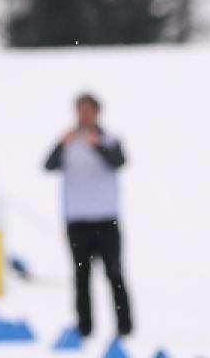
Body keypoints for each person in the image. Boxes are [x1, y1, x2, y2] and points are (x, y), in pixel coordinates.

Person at [43, 93, 132, 338]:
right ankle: (85, 327)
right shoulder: (68, 141)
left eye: (88, 111)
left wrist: (97, 145)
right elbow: (48, 165)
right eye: (80, 111)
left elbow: (119, 162)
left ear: (97, 112)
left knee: (114, 273)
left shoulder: (109, 139)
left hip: (106, 219)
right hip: (78, 221)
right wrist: (62, 144)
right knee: (81, 276)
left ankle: (125, 325)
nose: (84, 116)